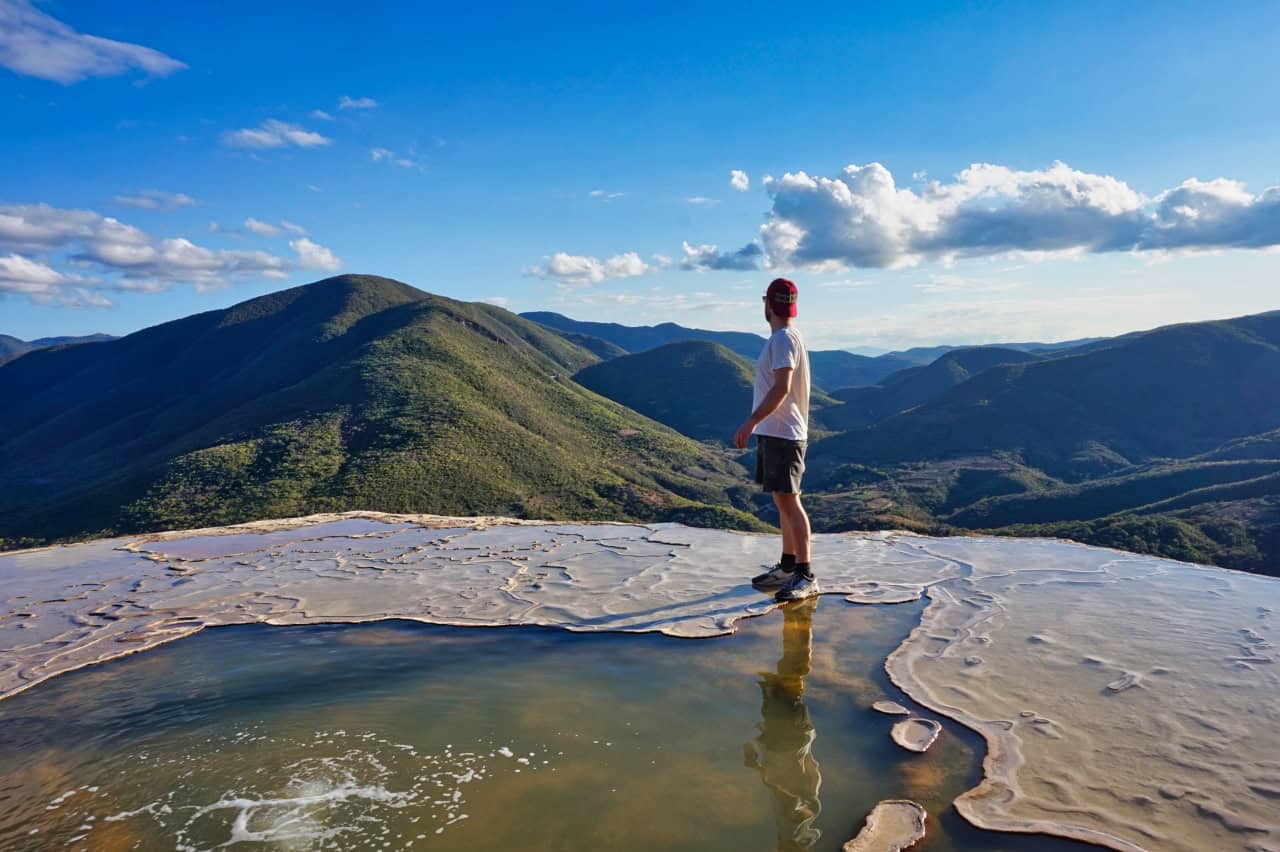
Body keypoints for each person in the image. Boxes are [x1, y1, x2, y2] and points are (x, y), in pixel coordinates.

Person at [734, 277, 817, 602]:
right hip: (778, 432)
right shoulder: (787, 337)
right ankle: (787, 566)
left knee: (790, 500)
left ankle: (806, 575)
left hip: (784, 433)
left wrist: (752, 421)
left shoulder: (782, 339)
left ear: (767, 304)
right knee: (783, 499)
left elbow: (782, 387)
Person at [743, 597, 822, 850]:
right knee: (787, 685)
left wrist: (758, 764)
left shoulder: (794, 828)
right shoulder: (796, 826)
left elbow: (793, 794)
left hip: (785, 741)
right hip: (788, 741)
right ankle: (800, 620)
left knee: (782, 688)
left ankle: (799, 621)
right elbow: (797, 803)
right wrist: (759, 768)